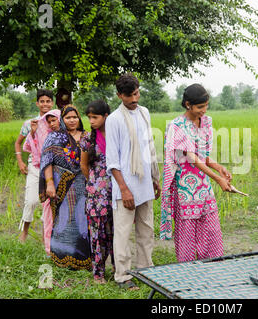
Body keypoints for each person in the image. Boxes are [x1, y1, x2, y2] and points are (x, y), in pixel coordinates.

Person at [160, 83, 232, 263]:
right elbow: (192, 158)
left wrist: (219, 168)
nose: (204, 110)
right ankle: (187, 277)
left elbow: (204, 156)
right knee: (187, 235)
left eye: (206, 105)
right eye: (200, 107)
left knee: (211, 230)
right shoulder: (176, 126)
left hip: (203, 186)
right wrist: (217, 179)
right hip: (185, 188)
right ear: (188, 105)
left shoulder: (206, 122)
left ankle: (212, 270)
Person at [106, 73, 160, 290]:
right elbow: (113, 160)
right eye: (129, 96)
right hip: (125, 186)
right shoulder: (114, 120)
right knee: (122, 232)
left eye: (136, 93)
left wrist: (155, 178)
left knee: (147, 229)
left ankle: (146, 269)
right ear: (120, 95)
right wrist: (124, 189)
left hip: (145, 182)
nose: (134, 99)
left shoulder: (145, 113)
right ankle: (122, 276)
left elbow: (150, 148)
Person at [39, 104, 91, 270]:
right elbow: (47, 162)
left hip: (83, 184)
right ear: (63, 119)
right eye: (68, 117)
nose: (72, 120)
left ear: (79, 118)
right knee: (64, 220)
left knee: (82, 220)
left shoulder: (87, 136)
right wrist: (49, 183)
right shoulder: (55, 137)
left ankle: (83, 259)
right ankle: (62, 258)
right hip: (62, 186)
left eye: (75, 117)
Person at [80, 100, 114, 284]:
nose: (91, 121)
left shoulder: (116, 135)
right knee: (97, 233)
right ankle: (98, 273)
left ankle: (119, 269)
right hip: (96, 196)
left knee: (115, 232)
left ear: (106, 116)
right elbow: (83, 165)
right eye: (89, 117)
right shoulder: (87, 139)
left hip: (116, 191)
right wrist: (95, 183)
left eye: (95, 117)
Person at [16, 89, 54, 242]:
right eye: (42, 101)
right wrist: (20, 161)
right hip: (35, 166)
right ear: (37, 103)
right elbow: (18, 143)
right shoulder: (30, 123)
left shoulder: (55, 121)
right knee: (31, 201)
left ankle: (48, 237)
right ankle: (24, 231)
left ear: (52, 103)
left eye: (48, 101)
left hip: (52, 168)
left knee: (50, 203)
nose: (45, 104)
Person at [23, 109, 61, 255]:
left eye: (54, 120)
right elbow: (38, 153)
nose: (51, 124)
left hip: (65, 179)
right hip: (48, 176)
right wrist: (33, 133)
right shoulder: (45, 136)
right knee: (48, 211)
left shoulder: (67, 135)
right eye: (49, 121)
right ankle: (49, 248)